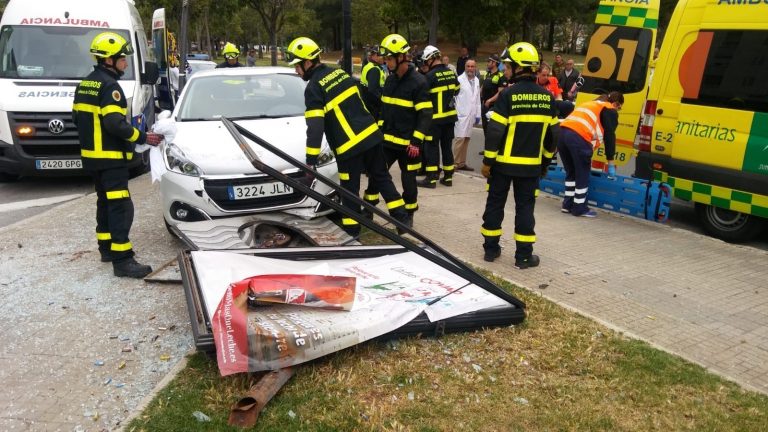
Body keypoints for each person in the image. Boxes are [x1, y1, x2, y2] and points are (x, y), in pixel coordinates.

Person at [285, 36, 411, 236]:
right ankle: (403, 221)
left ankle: (352, 230)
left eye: (297, 66)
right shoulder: (339, 73)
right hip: (371, 136)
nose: (296, 70)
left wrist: (310, 160)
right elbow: (367, 98)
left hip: (349, 147)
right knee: (382, 177)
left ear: (308, 62)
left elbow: (315, 127)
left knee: (349, 189)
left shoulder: (313, 88)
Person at [72, 32, 164, 278]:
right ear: (109, 60)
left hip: (93, 158)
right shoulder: (110, 87)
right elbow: (114, 124)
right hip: (111, 159)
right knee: (121, 206)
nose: (125, 62)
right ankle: (123, 259)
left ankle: (106, 249)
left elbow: (76, 119)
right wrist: (143, 137)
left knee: (104, 203)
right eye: (122, 58)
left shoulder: (86, 84)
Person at [480, 42, 558, 269]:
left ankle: (491, 250)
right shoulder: (547, 98)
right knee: (525, 209)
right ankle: (524, 257)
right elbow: (553, 136)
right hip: (531, 168)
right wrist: (544, 162)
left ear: (518, 67)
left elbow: (495, 131)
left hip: (502, 166)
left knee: (495, 205)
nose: (505, 69)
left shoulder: (508, 95)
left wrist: (488, 162)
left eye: (508, 65)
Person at [364, 34, 432, 222]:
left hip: (409, 144)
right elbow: (384, 111)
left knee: (408, 181)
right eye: (385, 59)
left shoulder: (418, 82)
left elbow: (425, 115)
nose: (386, 62)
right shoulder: (391, 80)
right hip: (387, 141)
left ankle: (408, 215)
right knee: (376, 175)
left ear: (402, 57)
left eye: (389, 58)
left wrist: (416, 141)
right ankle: (368, 208)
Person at [558, 91, 624, 217]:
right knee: (582, 174)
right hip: (579, 138)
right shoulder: (609, 109)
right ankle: (579, 208)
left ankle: (567, 205)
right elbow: (609, 136)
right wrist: (610, 162)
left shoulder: (590, 104)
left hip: (562, 134)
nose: (618, 111)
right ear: (615, 103)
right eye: (619, 108)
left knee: (571, 173)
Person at [418, 45, 459, 188]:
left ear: (431, 59)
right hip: (450, 118)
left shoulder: (429, 76)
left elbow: (422, 96)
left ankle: (431, 179)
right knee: (447, 147)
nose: (425, 64)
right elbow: (457, 90)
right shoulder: (451, 73)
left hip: (434, 119)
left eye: (426, 61)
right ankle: (448, 178)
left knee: (432, 147)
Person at [452, 59, 481, 173]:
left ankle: (462, 163)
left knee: (467, 139)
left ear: (475, 67)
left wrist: (477, 114)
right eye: (468, 66)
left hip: (471, 114)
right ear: (465, 67)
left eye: (472, 66)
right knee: (459, 139)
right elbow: (454, 98)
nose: (470, 68)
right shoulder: (459, 80)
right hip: (461, 114)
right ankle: (454, 163)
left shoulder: (477, 80)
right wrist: (456, 112)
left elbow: (477, 98)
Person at [480, 54, 505, 134]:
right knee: (485, 129)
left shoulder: (500, 76)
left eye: (489, 61)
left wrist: (490, 100)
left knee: (492, 131)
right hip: (484, 106)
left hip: (493, 107)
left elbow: (501, 92)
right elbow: (482, 87)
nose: (487, 63)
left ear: (494, 63)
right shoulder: (487, 74)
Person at [359, 45, 386, 119]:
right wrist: (383, 101)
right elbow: (373, 90)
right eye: (381, 56)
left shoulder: (370, 66)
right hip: (373, 107)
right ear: (374, 56)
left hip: (368, 104)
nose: (384, 58)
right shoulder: (374, 69)